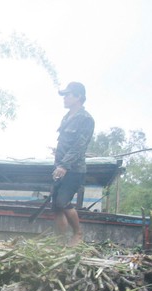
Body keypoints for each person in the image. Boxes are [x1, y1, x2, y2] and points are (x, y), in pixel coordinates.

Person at [52, 81, 94, 246]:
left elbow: (79, 146)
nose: (64, 98)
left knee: (63, 202)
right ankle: (61, 241)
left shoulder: (86, 119)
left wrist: (64, 165)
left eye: (67, 95)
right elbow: (64, 144)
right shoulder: (66, 117)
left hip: (74, 170)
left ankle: (77, 233)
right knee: (56, 207)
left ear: (78, 97)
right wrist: (58, 164)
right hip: (59, 168)